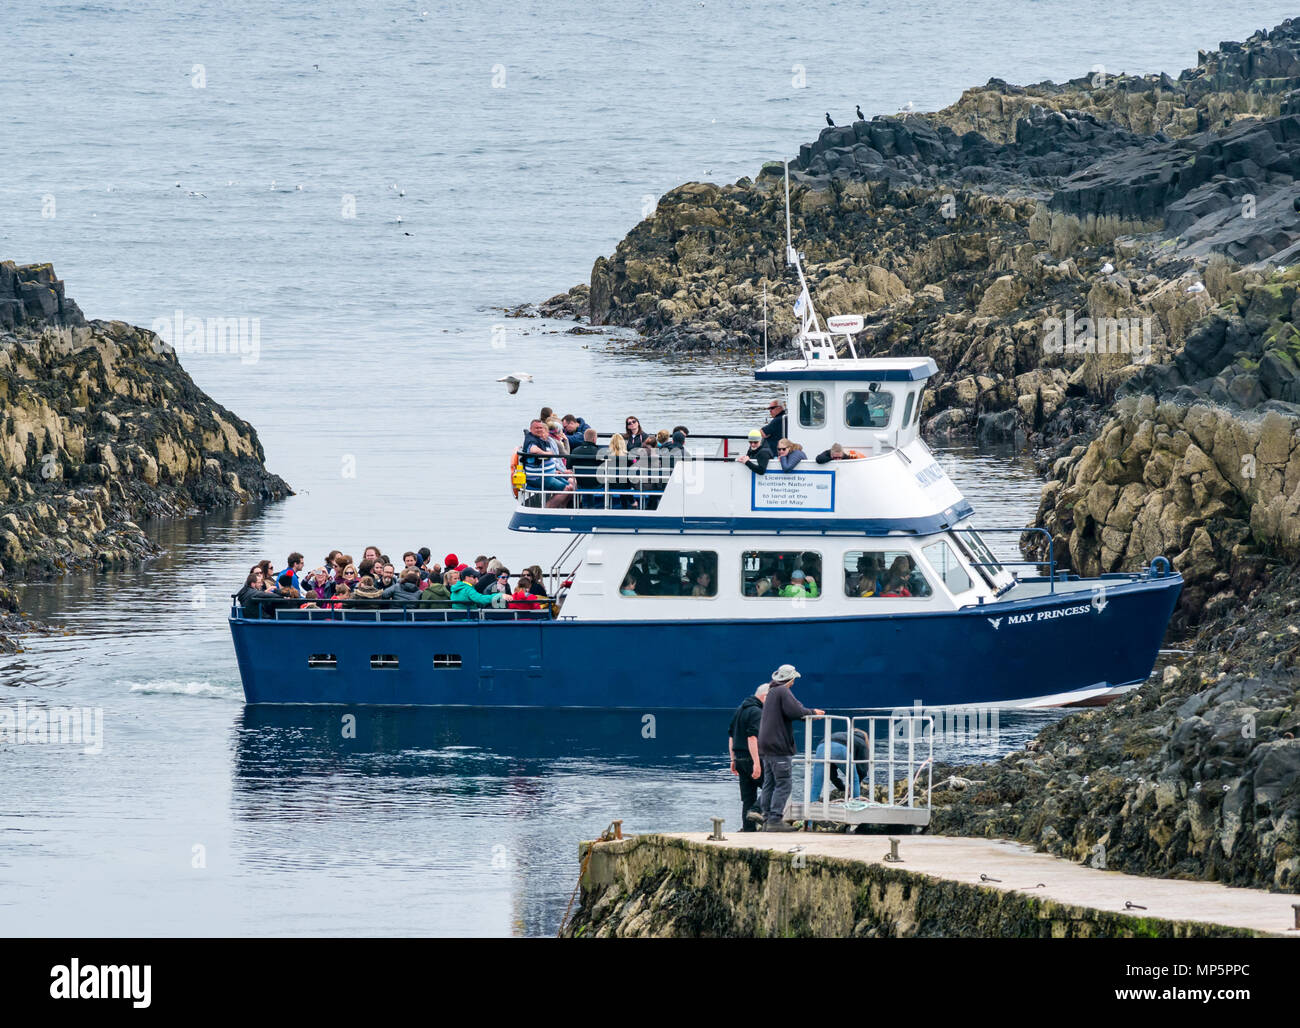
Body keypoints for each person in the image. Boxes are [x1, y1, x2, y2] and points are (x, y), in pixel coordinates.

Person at [757, 664, 824, 831]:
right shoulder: (783, 691)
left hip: (766, 746)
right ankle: (774, 820)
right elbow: (795, 711)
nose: (794, 682)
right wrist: (813, 713)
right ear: (790, 678)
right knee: (784, 783)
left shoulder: (772, 691)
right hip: (778, 746)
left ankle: (766, 818)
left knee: (769, 783)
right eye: (794, 679)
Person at [730, 684, 769, 832]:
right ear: (765, 697)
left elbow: (731, 736)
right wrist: (757, 763)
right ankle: (756, 810)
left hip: (739, 759)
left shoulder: (739, 710)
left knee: (748, 797)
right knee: (773, 786)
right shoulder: (757, 712)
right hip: (752, 758)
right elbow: (752, 738)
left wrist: (733, 759)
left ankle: (748, 829)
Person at [522, 418, 575, 508]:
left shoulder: (542, 440)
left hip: (549, 474)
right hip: (538, 477)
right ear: (531, 429)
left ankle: (561, 508)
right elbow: (533, 450)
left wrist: (555, 471)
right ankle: (548, 509)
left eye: (540, 428)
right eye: (536, 428)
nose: (539, 430)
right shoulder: (531, 439)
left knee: (570, 487)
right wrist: (547, 454)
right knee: (565, 489)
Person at [569, 427, 602, 508]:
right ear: (594, 439)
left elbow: (569, 467)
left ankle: (580, 505)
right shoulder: (599, 453)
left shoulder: (575, 451)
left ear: (584, 438)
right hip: (596, 484)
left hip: (579, 483)